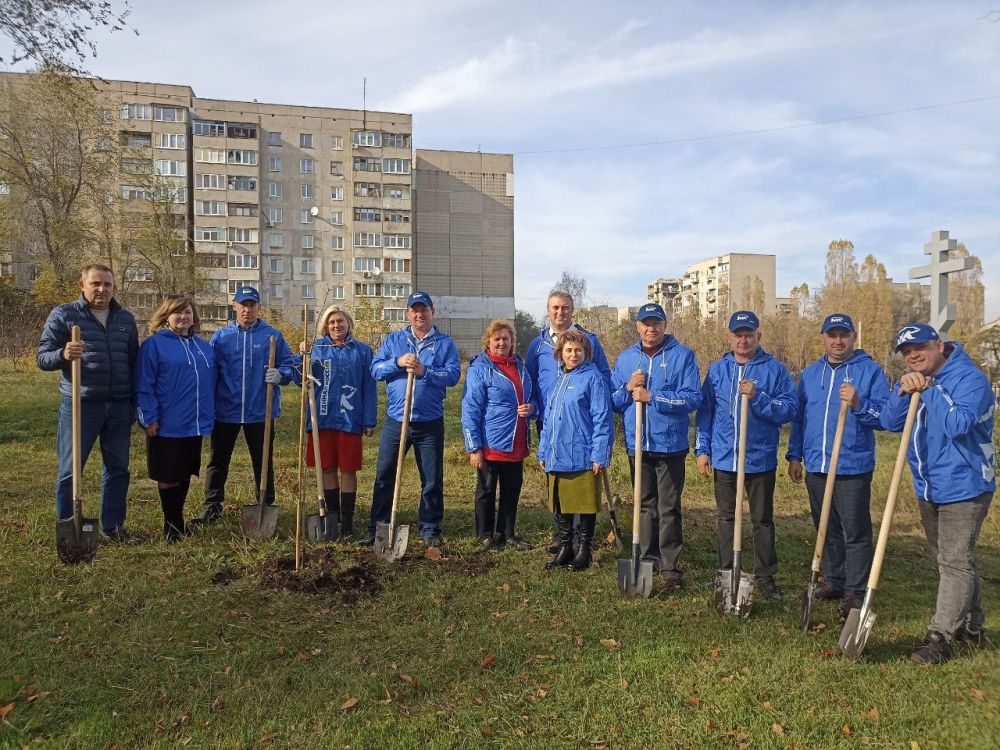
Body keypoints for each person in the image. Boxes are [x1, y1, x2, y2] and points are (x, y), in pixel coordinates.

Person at [881, 323, 995, 665]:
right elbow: (889, 421)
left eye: (919, 347)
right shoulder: (916, 379)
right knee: (952, 562)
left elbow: (958, 424)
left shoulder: (971, 379)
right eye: (906, 352)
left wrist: (929, 389)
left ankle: (941, 636)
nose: (913, 355)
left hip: (965, 484)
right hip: (929, 485)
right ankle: (972, 627)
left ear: (939, 345)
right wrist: (903, 391)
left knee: (954, 562)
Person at [786, 314, 889, 620]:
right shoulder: (811, 373)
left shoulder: (869, 371)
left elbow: (885, 415)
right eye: (832, 335)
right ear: (823, 338)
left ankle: (856, 591)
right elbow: (799, 417)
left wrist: (858, 404)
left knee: (855, 531)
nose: (838, 340)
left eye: (844, 335)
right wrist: (795, 455)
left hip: (851, 464)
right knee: (825, 527)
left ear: (853, 337)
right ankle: (834, 579)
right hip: (817, 463)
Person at [37, 264, 143, 543]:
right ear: (82, 285)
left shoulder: (125, 319)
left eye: (107, 284)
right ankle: (69, 528)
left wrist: (134, 402)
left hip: (119, 406)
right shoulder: (64, 315)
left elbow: (134, 362)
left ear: (114, 288)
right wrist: (63, 353)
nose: (102, 289)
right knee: (70, 470)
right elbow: (43, 358)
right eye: (96, 284)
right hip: (81, 405)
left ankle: (113, 528)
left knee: (118, 468)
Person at [695, 310, 796, 600]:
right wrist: (703, 449)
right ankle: (727, 573)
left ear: (758, 337)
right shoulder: (717, 370)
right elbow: (705, 412)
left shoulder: (774, 370)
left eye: (748, 334)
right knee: (726, 518)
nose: (743, 340)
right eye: (738, 335)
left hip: (759, 459)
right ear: (729, 337)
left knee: (762, 520)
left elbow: (788, 409)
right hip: (726, 458)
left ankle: (765, 577)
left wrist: (759, 398)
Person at [611, 302, 702, 592]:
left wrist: (653, 397)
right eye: (646, 324)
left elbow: (691, 399)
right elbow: (613, 401)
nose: (651, 329)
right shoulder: (626, 359)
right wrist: (627, 388)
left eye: (656, 323)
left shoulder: (683, 356)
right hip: (638, 444)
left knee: (669, 507)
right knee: (644, 506)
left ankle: (670, 567)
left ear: (664, 325)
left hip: (670, 445)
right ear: (638, 327)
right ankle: (647, 561)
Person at [362, 291, 460, 548]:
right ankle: (378, 526)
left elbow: (452, 375)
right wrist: (397, 362)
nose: (419, 314)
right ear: (408, 313)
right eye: (414, 310)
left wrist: (424, 371)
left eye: (424, 309)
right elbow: (375, 369)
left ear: (432, 312)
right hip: (397, 420)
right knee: (384, 475)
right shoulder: (395, 340)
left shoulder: (444, 343)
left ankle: (430, 528)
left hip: (430, 423)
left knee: (431, 478)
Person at [193, 286, 295, 525]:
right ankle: (212, 505)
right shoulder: (221, 337)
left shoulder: (273, 336)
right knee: (218, 460)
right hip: (226, 410)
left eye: (252, 305)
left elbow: (290, 365)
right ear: (234, 306)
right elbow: (210, 371)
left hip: (260, 410)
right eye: (243, 304)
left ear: (259, 308)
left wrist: (281, 374)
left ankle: (265, 502)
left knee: (263, 460)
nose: (247, 310)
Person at [525, 289, 612, 552]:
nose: (560, 312)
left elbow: (604, 378)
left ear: (572, 310)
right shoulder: (537, 344)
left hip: (581, 421)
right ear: (548, 310)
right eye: (555, 308)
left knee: (581, 479)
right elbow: (529, 378)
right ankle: (561, 535)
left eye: (564, 307)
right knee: (557, 479)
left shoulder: (590, 341)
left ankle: (579, 537)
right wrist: (535, 407)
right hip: (550, 421)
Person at [134, 295, 215, 542]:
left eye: (188, 312)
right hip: (166, 423)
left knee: (184, 472)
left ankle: (178, 522)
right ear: (166, 316)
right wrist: (148, 417)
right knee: (168, 475)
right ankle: (171, 525)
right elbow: (143, 383)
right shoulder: (154, 345)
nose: (183, 317)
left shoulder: (204, 347)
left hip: (194, 422)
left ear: (194, 317)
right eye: (178, 312)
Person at [538, 329, 613, 572]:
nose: (573, 354)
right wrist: (542, 451)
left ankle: (584, 550)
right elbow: (548, 419)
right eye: (569, 350)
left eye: (578, 350)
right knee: (561, 503)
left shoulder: (593, 378)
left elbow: (602, 417)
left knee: (584, 503)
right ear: (560, 353)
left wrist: (600, 453)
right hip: (556, 454)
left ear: (586, 353)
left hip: (582, 454)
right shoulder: (559, 380)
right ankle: (566, 546)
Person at [299, 304, 377, 538]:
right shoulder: (317, 349)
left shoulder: (362, 351)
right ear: (325, 325)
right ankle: (331, 519)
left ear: (348, 323)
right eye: (331, 322)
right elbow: (299, 376)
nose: (336, 326)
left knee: (349, 470)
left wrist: (369, 419)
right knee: (327, 468)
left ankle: (348, 521)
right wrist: (302, 355)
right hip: (321, 418)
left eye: (340, 321)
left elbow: (369, 387)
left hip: (349, 418)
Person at [461, 318, 537, 552]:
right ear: (488, 342)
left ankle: (507, 533)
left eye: (506, 338)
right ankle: (485, 535)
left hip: (516, 440)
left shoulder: (519, 366)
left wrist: (532, 407)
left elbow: (532, 397)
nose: (501, 343)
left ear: (512, 341)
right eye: (497, 339)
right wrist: (474, 447)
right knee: (486, 490)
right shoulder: (480, 368)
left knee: (512, 489)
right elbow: (470, 408)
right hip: (491, 442)